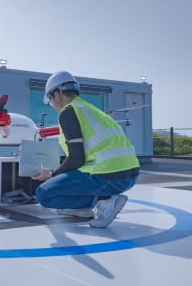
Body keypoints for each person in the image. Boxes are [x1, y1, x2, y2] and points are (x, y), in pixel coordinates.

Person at [32, 71, 140, 228]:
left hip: (108, 176)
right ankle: (83, 208)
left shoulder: (68, 112)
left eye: (50, 101)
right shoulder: (92, 110)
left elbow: (77, 159)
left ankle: (104, 203)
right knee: (64, 181)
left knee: (44, 194)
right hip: (130, 175)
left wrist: (52, 175)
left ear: (56, 95)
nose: (53, 106)